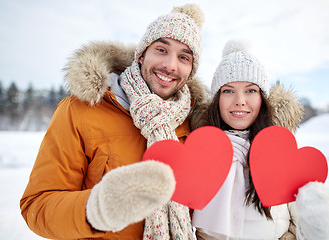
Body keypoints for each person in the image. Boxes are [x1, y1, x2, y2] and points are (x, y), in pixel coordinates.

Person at [20, 4, 209, 240]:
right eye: (161, 49)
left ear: (191, 70)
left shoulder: (197, 123)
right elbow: (37, 206)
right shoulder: (81, 110)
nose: (171, 64)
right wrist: (96, 208)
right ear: (141, 55)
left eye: (184, 57)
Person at [192, 40, 329, 240]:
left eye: (251, 90)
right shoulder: (199, 152)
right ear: (217, 99)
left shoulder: (282, 156)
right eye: (228, 90)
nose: (240, 100)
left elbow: (302, 229)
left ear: (263, 99)